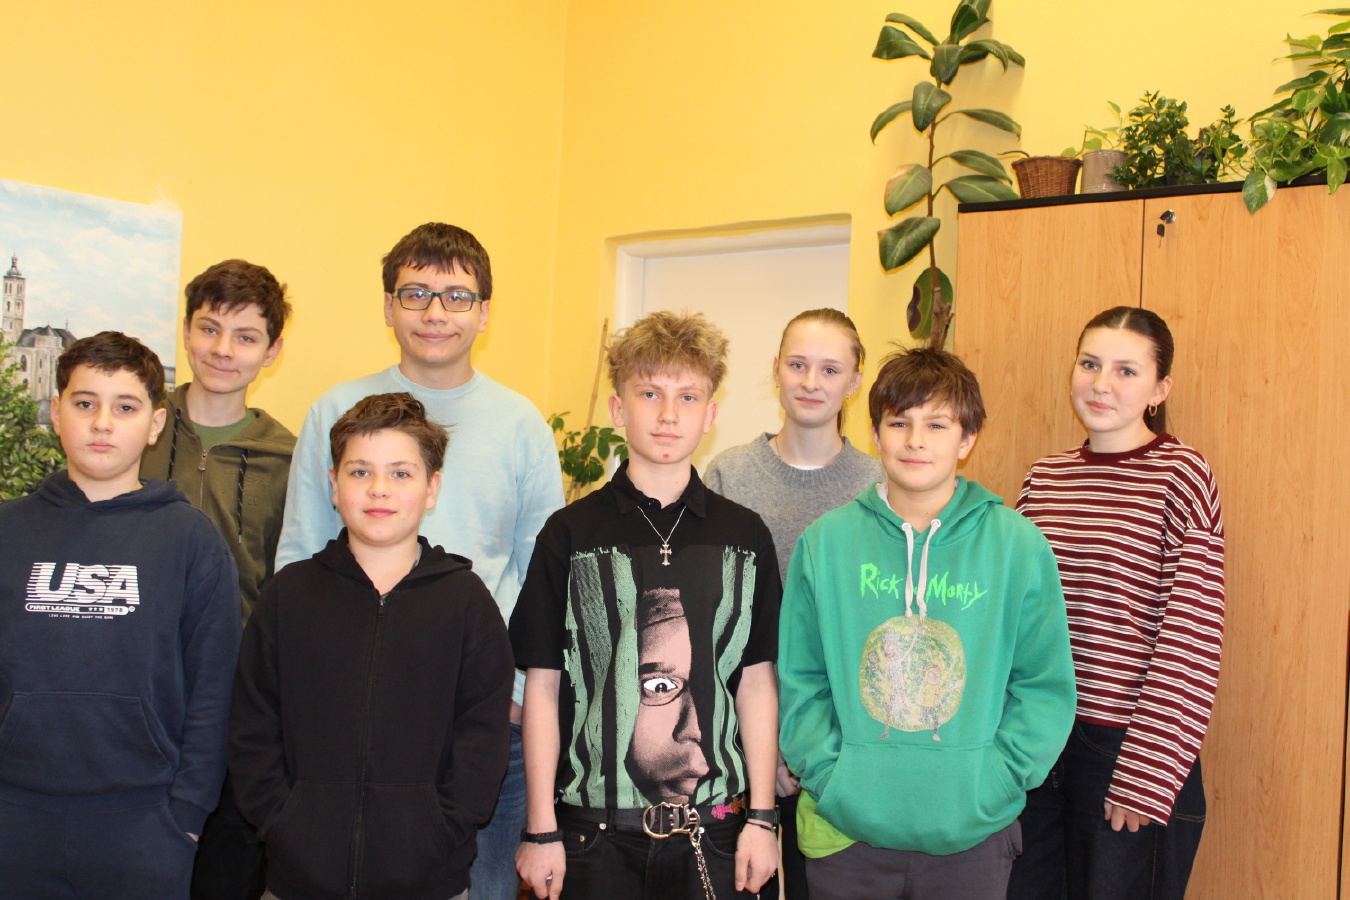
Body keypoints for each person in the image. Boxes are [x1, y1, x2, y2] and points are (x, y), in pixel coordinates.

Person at [275, 222, 563, 900]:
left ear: (484, 312)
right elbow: (300, 557)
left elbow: (542, 575)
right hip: (349, 710)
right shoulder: (336, 410)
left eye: (457, 296)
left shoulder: (521, 423)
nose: (436, 312)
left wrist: (515, 692)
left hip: (484, 716)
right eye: (416, 293)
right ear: (388, 306)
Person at [777, 346, 1076, 900]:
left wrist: (999, 778)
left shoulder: (1017, 545)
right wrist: (830, 775)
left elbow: (1043, 683)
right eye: (899, 422)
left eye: (937, 425)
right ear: (874, 433)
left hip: (972, 836)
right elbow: (802, 678)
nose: (915, 440)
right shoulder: (825, 543)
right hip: (846, 835)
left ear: (967, 439)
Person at [510, 310, 781, 900]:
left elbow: (756, 681)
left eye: (688, 397)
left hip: (718, 831)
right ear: (618, 408)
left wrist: (763, 819)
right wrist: (540, 827)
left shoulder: (745, 537)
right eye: (650, 393)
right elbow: (544, 687)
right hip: (592, 834)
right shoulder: (569, 534)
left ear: (710, 415)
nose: (668, 415)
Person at [231, 392, 514, 900]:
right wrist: (282, 822)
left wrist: (442, 829)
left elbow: (483, 735)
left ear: (432, 488)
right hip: (297, 879)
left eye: (401, 473)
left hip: (430, 880)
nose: (379, 489)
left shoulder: (467, 603)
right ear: (333, 484)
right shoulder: (289, 595)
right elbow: (253, 725)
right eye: (360, 472)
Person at [0, 332, 240, 899]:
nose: (102, 423)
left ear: (155, 424)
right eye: (85, 403)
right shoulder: (8, 530)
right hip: (13, 816)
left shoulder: (191, 540)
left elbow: (214, 689)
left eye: (125, 407)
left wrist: (187, 815)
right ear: (56, 411)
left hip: (145, 824)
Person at [1008, 307, 1224, 900]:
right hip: (1039, 744)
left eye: (1126, 371)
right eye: (1090, 364)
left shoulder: (1182, 475)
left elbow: (1192, 633)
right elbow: (1014, 621)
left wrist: (1147, 773)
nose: (1101, 384)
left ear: (1159, 390)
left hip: (1127, 751)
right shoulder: (1044, 478)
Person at [703, 307, 882, 900]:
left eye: (830, 369)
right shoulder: (728, 474)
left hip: (838, 747)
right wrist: (765, 746)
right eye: (798, 365)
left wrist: (806, 746)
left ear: (854, 381)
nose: (811, 382)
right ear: (776, 368)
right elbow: (710, 625)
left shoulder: (879, 484)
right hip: (735, 744)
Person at [140, 258, 294, 900]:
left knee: (225, 865)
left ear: (272, 351)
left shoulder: (289, 455)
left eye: (246, 336)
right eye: (209, 329)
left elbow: (290, 576)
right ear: (186, 331)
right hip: (138, 684)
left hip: (236, 694)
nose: (224, 350)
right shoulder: (139, 428)